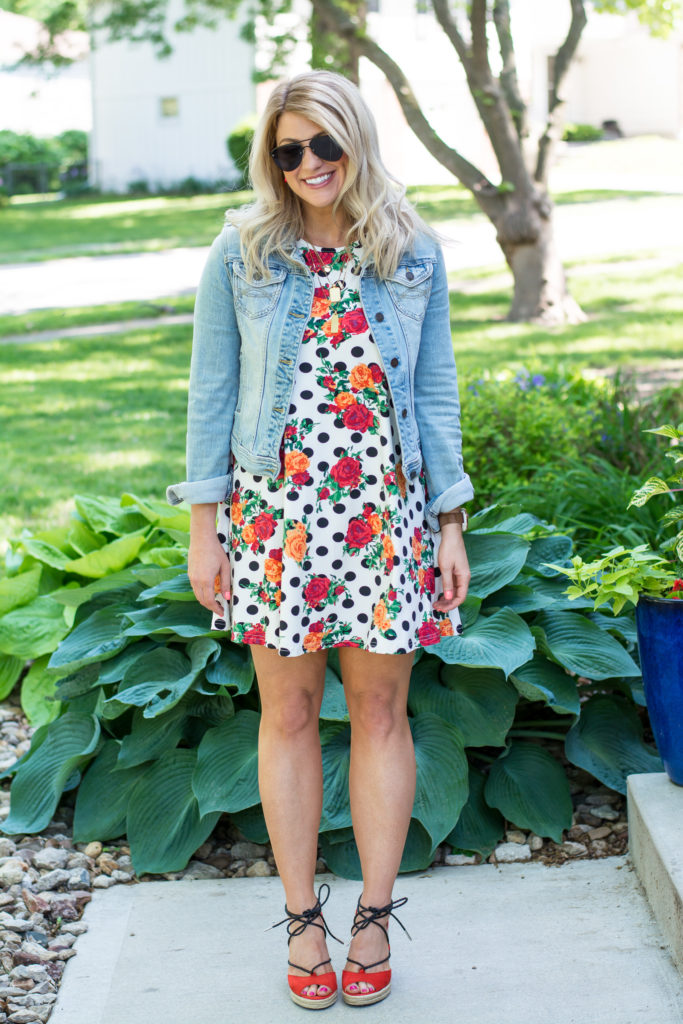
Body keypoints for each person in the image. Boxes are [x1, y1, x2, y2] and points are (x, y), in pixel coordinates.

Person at [166, 69, 473, 1010]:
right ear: (272, 157)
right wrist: (204, 532)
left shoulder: (411, 250)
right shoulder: (242, 253)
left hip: (383, 517)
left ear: (357, 142)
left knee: (380, 716)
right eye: (288, 149)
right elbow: (210, 396)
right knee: (288, 717)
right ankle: (304, 920)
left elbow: (432, 393)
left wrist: (449, 523)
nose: (308, 165)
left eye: (324, 145)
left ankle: (375, 914)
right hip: (276, 521)